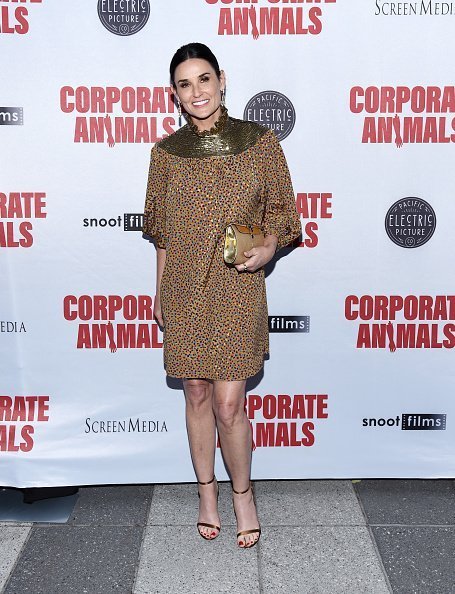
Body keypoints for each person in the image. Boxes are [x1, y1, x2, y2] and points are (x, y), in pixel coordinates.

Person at [142, 42, 301, 549]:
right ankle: (206, 493)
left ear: (222, 79)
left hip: (236, 286)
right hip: (185, 286)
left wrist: (270, 243)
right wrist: (160, 291)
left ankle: (243, 495)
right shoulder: (165, 154)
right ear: (174, 94)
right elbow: (163, 232)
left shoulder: (260, 142)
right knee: (195, 392)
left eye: (204, 79)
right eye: (185, 84)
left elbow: (285, 215)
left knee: (230, 405)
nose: (197, 91)